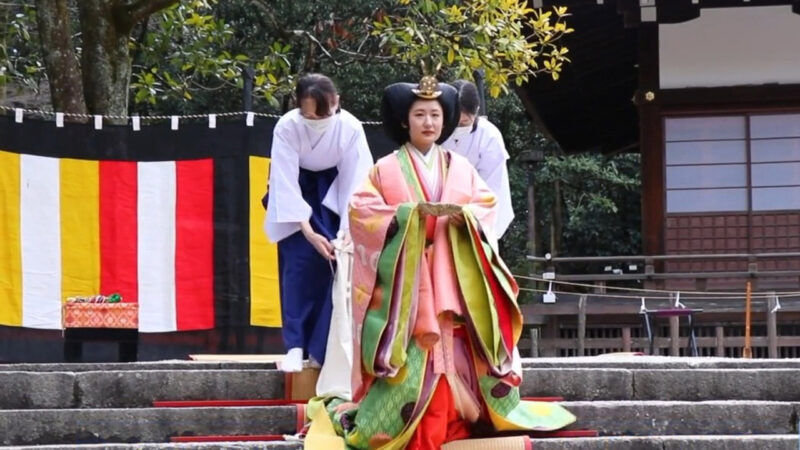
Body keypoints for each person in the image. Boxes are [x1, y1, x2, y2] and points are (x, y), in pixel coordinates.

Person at [304, 75, 574, 449]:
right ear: (405, 121)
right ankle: (405, 424)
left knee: (461, 351)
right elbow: (361, 211)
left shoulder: (461, 168)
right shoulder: (384, 169)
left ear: (444, 121)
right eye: (419, 115)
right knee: (412, 355)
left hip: (454, 279)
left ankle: (459, 418)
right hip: (408, 285)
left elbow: (486, 206)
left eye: (434, 114)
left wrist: (462, 217)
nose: (428, 122)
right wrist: (410, 217)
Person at [264, 73, 373, 373]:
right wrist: (309, 232)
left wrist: (347, 231)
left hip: (335, 192)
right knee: (297, 266)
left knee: (337, 267)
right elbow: (284, 180)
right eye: (307, 114)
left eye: (321, 113)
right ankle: (295, 344)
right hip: (297, 192)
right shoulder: (287, 126)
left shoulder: (350, 128)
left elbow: (356, 180)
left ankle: (321, 349)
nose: (314, 120)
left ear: (336, 102)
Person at [442, 80, 514, 238]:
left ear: (476, 113)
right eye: (454, 122)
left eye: (464, 123)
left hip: (476, 217)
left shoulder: (489, 136)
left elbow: (492, 189)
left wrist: (470, 217)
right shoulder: (436, 128)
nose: (458, 128)